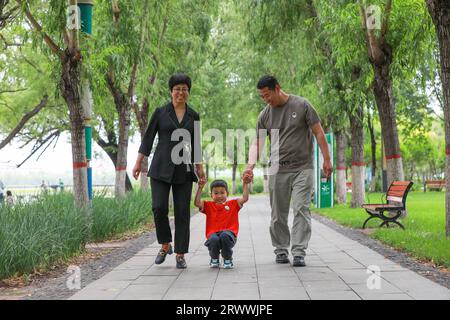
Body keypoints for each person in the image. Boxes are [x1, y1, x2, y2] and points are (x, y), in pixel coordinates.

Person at [243, 75, 332, 267]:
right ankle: (281, 249)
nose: (266, 99)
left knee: (301, 208)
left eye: (267, 95)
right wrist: (250, 165)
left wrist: (327, 158)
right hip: (277, 169)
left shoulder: (302, 105)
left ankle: (299, 251)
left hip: (303, 168)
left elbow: (318, 132)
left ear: (277, 88)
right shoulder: (265, 115)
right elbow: (257, 143)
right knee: (278, 213)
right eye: (262, 97)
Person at [132, 73, 206, 269]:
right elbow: (148, 139)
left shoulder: (194, 116)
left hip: (183, 168)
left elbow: (196, 145)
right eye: (177, 88)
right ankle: (165, 244)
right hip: (160, 167)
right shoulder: (161, 112)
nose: (181, 92)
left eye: (184, 89)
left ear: (188, 92)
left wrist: (200, 168)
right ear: (171, 91)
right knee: (158, 208)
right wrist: (138, 162)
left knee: (182, 211)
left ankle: (180, 254)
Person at [194, 179, 249, 269]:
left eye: (222, 193)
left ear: (227, 193)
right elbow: (196, 203)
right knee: (214, 239)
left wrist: (245, 184)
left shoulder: (233, 204)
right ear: (211, 195)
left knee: (224, 235)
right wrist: (200, 188)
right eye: (216, 193)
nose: (219, 196)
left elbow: (245, 198)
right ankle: (214, 258)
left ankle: (227, 259)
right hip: (213, 234)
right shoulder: (208, 205)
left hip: (229, 234)